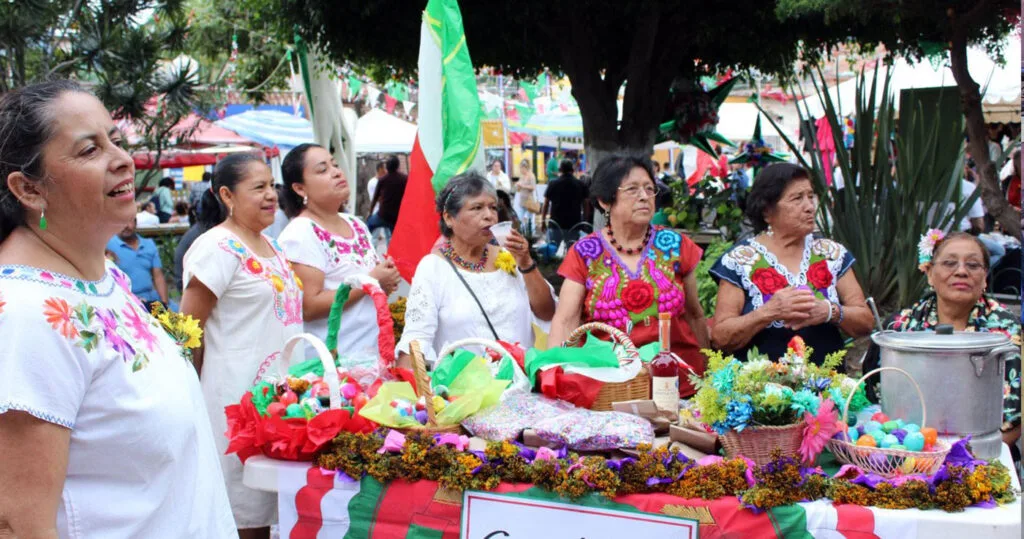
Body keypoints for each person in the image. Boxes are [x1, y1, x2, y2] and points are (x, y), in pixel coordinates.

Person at [0, 80, 234, 537]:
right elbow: (17, 523)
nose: (123, 159)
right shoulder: (24, 315)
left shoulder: (102, 278)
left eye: (115, 139)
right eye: (90, 150)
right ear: (29, 189)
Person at [181, 153, 303, 539]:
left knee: (269, 510)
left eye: (272, 186)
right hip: (233, 403)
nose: (271, 196)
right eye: (259, 188)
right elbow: (188, 332)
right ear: (227, 195)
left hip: (279, 403)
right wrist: (194, 401)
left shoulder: (272, 246)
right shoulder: (216, 246)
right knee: (242, 515)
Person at [548, 154, 710, 396]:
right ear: (605, 201)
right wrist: (553, 379)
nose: (644, 197)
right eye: (632, 189)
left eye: (649, 189)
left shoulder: (674, 245)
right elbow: (565, 321)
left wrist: (708, 372)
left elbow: (695, 315)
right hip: (610, 388)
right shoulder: (585, 253)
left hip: (679, 385)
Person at [863, 232, 1020, 450]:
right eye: (949, 263)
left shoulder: (1009, 331)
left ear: (985, 277)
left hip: (988, 456)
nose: (961, 271)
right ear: (929, 273)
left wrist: (963, 459)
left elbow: (1016, 419)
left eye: (973, 265)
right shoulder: (899, 328)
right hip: (909, 454)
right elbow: (875, 398)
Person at [710, 163, 873, 364]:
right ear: (767, 211)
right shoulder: (741, 260)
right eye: (797, 198)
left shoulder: (831, 254)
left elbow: (866, 322)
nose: (809, 206)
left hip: (829, 388)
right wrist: (768, 312)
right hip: (760, 389)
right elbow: (720, 337)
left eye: (810, 196)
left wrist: (830, 311)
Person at [396, 172, 555, 364]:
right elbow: (415, 340)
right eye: (477, 208)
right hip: (464, 390)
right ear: (449, 218)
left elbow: (547, 312)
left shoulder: (509, 258)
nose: (489, 216)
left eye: (493, 207)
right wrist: (412, 389)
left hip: (522, 384)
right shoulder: (433, 268)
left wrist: (526, 263)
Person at [277, 144, 400, 358]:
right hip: (334, 365)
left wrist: (384, 280)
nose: (336, 172)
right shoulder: (300, 234)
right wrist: (370, 280)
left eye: (334, 164)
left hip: (372, 354)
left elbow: (365, 289)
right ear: (300, 188)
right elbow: (309, 306)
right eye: (322, 170)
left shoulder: (355, 224)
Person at [106, 217, 169, 306]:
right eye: (121, 223)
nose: (126, 226)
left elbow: (158, 276)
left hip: (150, 298)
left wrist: (164, 303)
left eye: (128, 222)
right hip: (124, 301)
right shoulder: (108, 246)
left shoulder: (149, 244)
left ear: (135, 223)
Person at [541, 158, 589, 247]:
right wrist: (585, 221)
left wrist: (543, 221)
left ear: (560, 170)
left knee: (551, 252)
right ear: (573, 170)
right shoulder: (580, 184)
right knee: (571, 253)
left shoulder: (553, 183)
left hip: (555, 224)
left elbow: (546, 204)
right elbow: (586, 204)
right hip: (574, 224)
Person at [367, 155, 407, 234]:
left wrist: (370, 213)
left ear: (387, 166)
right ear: (397, 165)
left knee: (369, 224)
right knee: (394, 237)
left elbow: (375, 198)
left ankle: (364, 242)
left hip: (383, 215)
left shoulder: (382, 180)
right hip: (396, 217)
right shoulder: (405, 179)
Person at [515, 158, 537, 227]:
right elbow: (518, 189)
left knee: (530, 220)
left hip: (529, 201)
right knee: (520, 219)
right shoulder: (522, 176)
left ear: (525, 167)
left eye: (521, 168)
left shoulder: (531, 176)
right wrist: (518, 186)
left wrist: (523, 186)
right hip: (522, 201)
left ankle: (530, 233)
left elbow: (533, 187)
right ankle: (522, 232)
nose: (520, 170)